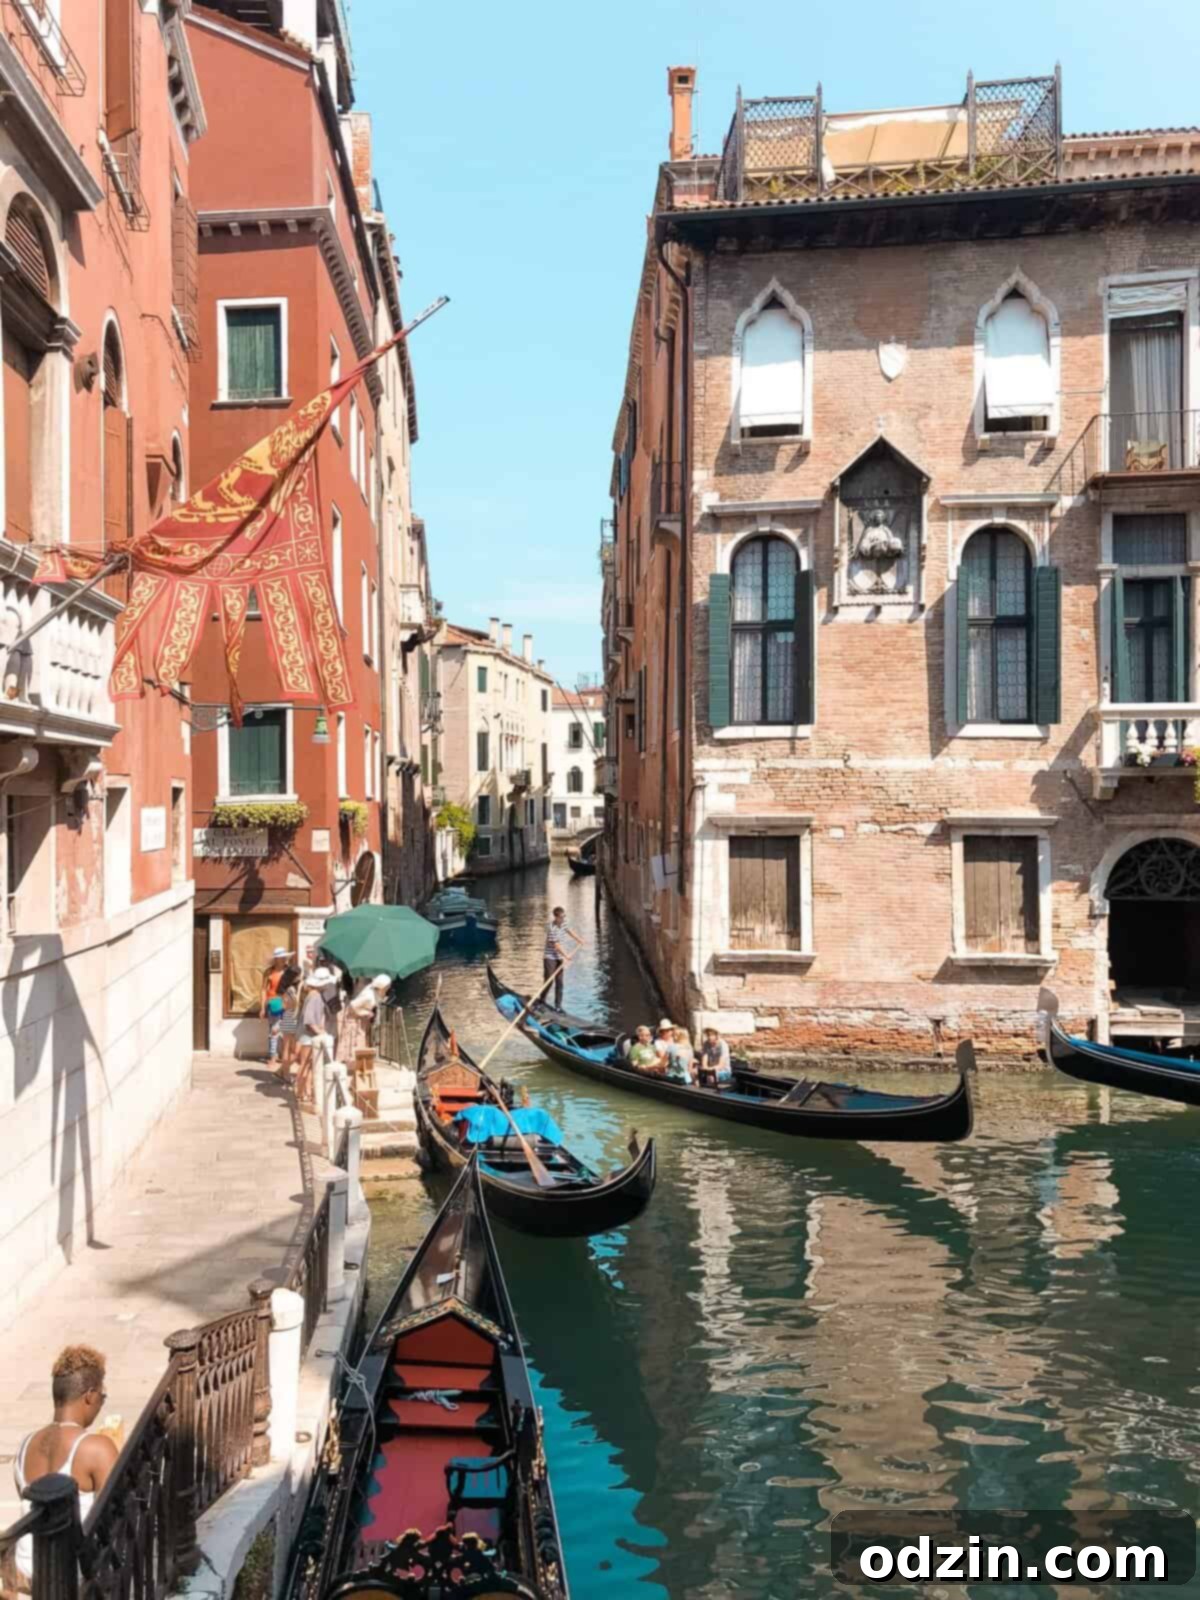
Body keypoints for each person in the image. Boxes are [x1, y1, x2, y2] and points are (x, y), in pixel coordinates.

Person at [14, 1346, 118, 1585]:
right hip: (73, 1578)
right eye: (102, 1396)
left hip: (28, 1575)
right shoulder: (97, 1448)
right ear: (90, 1395)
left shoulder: (24, 1446)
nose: (101, 1403)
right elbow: (114, 1522)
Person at [296, 966, 337, 1106]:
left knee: (307, 1066)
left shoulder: (311, 994)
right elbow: (309, 1021)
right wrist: (322, 1032)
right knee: (306, 1065)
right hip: (309, 1036)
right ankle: (301, 1092)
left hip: (306, 1035)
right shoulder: (316, 997)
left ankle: (305, 1092)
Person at [338, 973, 391, 1066]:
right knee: (357, 1041)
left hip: (362, 1021)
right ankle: (355, 1063)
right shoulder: (368, 996)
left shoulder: (373, 991)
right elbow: (353, 1006)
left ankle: (360, 1062)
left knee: (362, 1040)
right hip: (355, 1020)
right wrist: (366, 1013)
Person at [542, 906, 583, 1011]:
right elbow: (557, 946)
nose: (564, 918)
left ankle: (558, 1006)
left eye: (564, 916)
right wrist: (566, 956)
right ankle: (541, 1000)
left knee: (559, 982)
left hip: (559, 957)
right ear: (556, 917)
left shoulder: (563, 923)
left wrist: (579, 939)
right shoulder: (552, 928)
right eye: (562, 917)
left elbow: (569, 931)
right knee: (549, 981)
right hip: (550, 957)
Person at [260, 947, 295, 1066]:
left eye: (285, 957)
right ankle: (273, 1056)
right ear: (276, 959)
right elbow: (264, 990)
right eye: (281, 957)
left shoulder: (289, 971)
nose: (284, 959)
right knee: (274, 1030)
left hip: (288, 1003)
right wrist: (262, 1007)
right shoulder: (269, 972)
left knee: (287, 1030)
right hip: (273, 1003)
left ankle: (284, 1055)